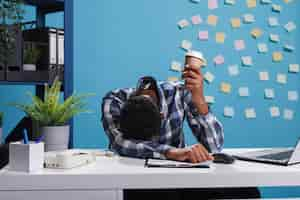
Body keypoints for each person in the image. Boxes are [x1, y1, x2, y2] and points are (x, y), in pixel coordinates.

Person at [101, 51, 260, 199]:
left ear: (161, 115)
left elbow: (214, 146)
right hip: (136, 179)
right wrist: (173, 152)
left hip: (179, 177)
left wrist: (199, 99)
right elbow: (120, 143)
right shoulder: (114, 101)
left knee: (247, 191)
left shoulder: (179, 93)